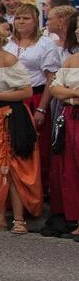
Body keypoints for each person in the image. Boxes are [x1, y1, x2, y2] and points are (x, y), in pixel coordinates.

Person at [0, 22, 40, 234]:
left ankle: (19, 219)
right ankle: (0, 216)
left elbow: (26, 92)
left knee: (12, 167)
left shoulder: (10, 60)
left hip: (11, 118)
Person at [7, 3, 61, 198]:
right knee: (12, 148)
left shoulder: (45, 44)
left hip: (34, 98)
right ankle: (15, 194)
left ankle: (37, 192)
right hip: (10, 99)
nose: (21, 22)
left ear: (35, 21)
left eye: (26, 18)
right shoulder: (8, 43)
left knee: (37, 147)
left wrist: (42, 108)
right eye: (18, 18)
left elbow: (51, 78)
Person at [48, 45, 79, 240]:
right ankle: (75, 219)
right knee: (70, 170)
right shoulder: (71, 60)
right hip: (70, 117)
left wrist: (69, 92)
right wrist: (75, 95)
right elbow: (55, 89)